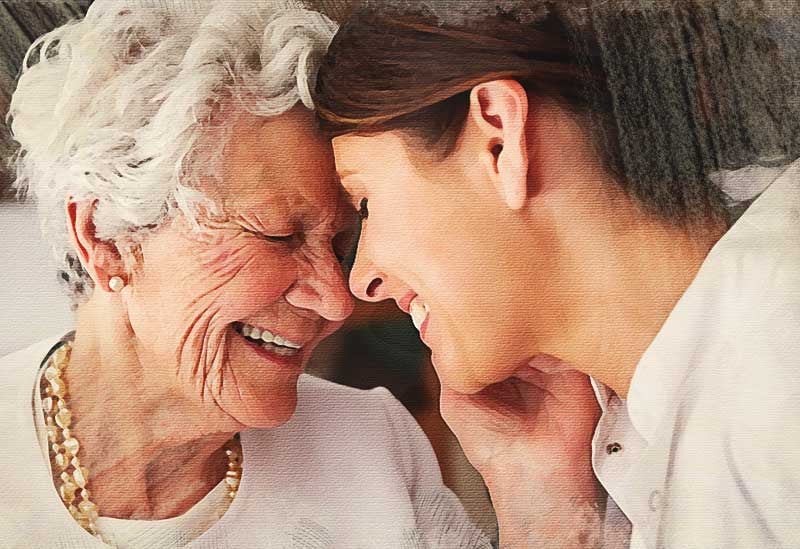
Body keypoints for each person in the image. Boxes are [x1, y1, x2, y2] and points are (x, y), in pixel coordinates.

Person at [1, 1, 490, 547]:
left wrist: (544, 487)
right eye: (279, 234)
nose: (336, 301)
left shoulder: (372, 446)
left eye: (341, 246)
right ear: (107, 240)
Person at [314, 1, 800, 547]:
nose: (361, 282)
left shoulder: (779, 389)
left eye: (365, 204)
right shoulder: (664, 419)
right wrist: (547, 512)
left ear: (499, 140)